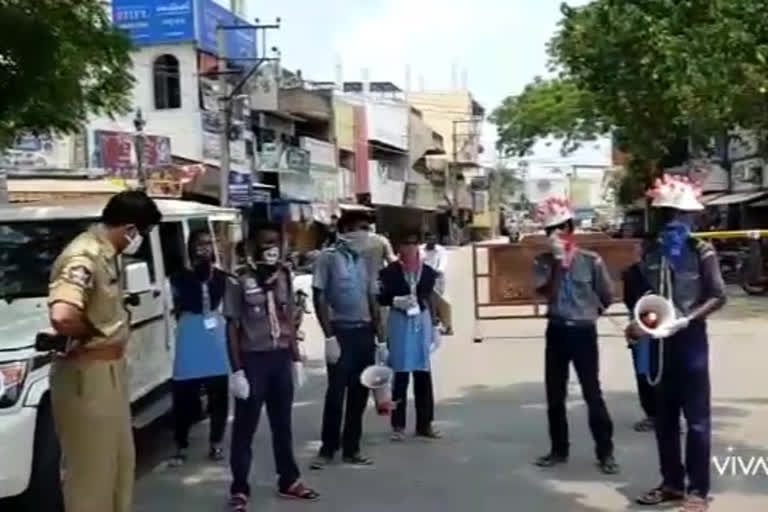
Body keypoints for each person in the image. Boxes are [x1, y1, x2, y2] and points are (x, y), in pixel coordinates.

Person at [47, 190, 161, 512]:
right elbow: (63, 315)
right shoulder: (83, 255)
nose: (140, 240)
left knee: (118, 468)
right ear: (130, 229)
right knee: (91, 475)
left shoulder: (106, 253)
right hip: (87, 376)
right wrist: (89, 335)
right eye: (143, 233)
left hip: (109, 374)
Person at [627, 175, 726, 511]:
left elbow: (717, 295)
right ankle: (671, 484)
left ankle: (697, 491)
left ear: (689, 217)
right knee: (665, 420)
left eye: (677, 215)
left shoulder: (702, 250)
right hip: (659, 345)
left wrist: (687, 319)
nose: (672, 221)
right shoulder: (649, 252)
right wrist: (640, 324)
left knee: (696, 421)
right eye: (666, 215)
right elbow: (645, 298)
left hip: (690, 342)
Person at [224, 223, 319, 510]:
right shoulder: (238, 279)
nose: (272, 249)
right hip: (253, 361)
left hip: (279, 359)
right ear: (253, 247)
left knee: (282, 425)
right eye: (266, 244)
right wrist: (237, 370)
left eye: (276, 243)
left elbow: (289, 316)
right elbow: (232, 327)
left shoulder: (285, 275)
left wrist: (296, 358)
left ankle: (289, 480)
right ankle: (239, 489)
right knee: (245, 428)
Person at [532, 197, 619, 475]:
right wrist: (559, 264)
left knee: (592, 393)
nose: (554, 235)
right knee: (555, 394)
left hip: (583, 331)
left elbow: (607, 295)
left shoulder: (591, 261)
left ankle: (606, 453)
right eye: (550, 231)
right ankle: (559, 450)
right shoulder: (543, 262)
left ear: (570, 228)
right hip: (556, 330)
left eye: (559, 229)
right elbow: (548, 293)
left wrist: (591, 314)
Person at [311, 210, 384, 469]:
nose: (365, 233)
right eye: (360, 227)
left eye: (367, 228)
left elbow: (372, 299)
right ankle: (327, 449)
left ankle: (352, 449)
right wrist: (329, 336)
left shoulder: (364, 261)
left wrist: (381, 338)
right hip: (341, 331)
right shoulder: (327, 259)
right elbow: (319, 297)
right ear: (345, 230)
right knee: (336, 394)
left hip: (364, 332)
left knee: (359, 393)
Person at [168, 229, 231, 466]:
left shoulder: (222, 277)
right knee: (184, 395)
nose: (204, 247)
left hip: (214, 339)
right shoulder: (178, 278)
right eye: (199, 243)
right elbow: (175, 306)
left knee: (218, 395)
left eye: (208, 243)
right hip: (189, 336)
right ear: (190, 247)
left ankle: (216, 443)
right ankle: (180, 445)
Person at [380, 231, 442, 441]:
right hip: (399, 322)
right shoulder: (390, 272)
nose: (409, 248)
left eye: (413, 244)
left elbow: (432, 298)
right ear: (399, 248)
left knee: (423, 373)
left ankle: (425, 424)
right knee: (401, 373)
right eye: (405, 244)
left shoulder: (428, 272)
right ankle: (398, 425)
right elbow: (381, 297)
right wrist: (394, 301)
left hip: (421, 322)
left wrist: (435, 324)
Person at [622, 243, 657, 433]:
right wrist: (640, 324)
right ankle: (651, 414)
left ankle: (670, 415)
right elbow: (630, 302)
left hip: (665, 326)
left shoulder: (666, 272)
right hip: (640, 325)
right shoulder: (630, 273)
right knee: (644, 372)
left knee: (667, 373)